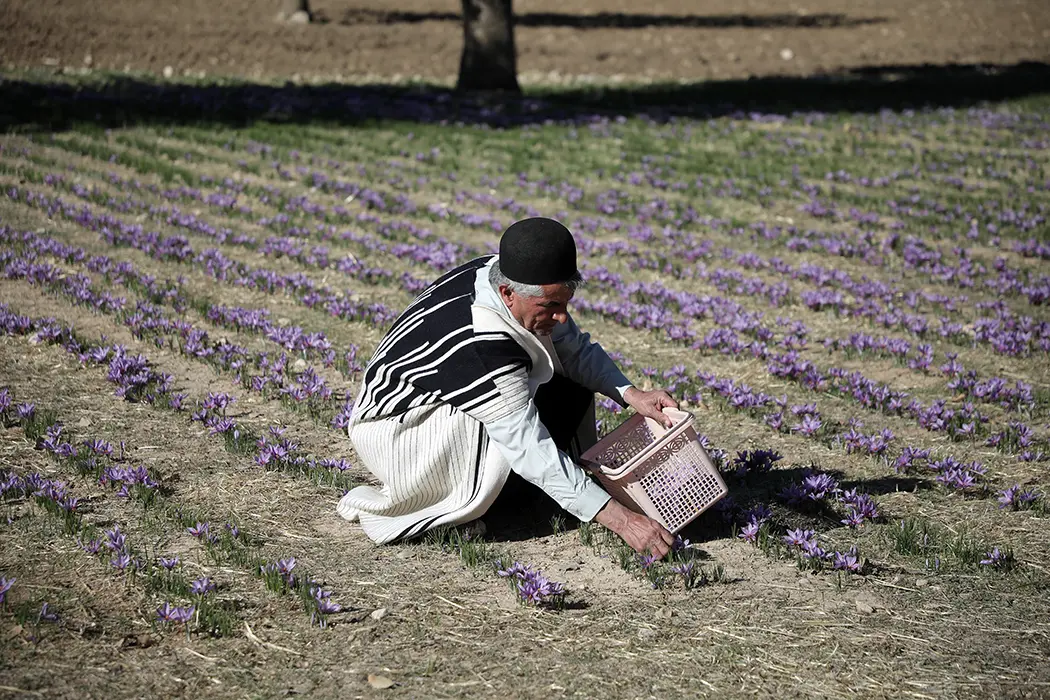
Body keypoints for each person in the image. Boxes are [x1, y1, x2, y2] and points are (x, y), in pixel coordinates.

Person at [337, 217, 678, 558]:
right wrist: (624, 522)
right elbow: (529, 449)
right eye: (551, 306)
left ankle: (533, 495)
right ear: (507, 294)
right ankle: (467, 508)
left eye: (565, 303)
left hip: (429, 404)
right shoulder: (484, 342)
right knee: (509, 433)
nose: (561, 317)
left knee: (567, 386)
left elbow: (572, 349)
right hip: (400, 430)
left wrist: (633, 395)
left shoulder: (505, 274)